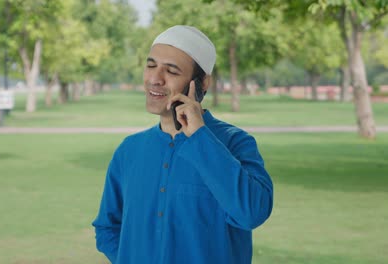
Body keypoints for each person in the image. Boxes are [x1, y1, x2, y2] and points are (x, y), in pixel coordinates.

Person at [92, 25, 273, 264]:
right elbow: (107, 229)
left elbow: (252, 212)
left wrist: (199, 136)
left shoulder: (236, 143)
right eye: (151, 65)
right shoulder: (129, 151)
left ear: (202, 83)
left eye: (172, 71)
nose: (155, 79)